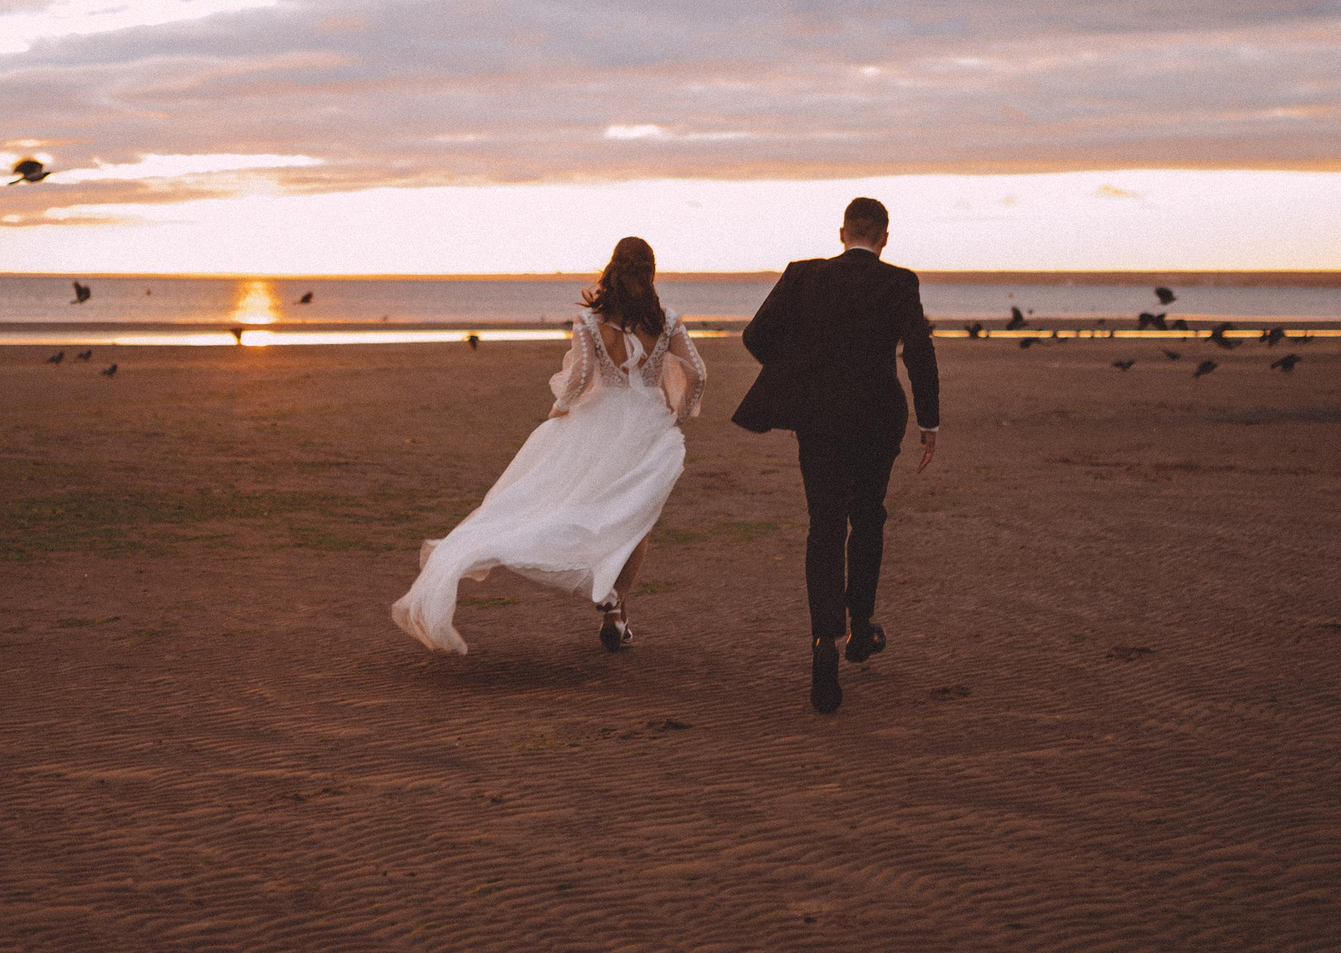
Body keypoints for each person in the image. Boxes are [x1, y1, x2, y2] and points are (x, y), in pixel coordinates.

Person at [391, 237, 706, 655]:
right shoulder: (667, 322)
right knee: (634, 518)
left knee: (574, 506)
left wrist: (562, 409)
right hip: (647, 425)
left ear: (613, 268)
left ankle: (614, 606)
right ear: (651, 272)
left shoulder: (591, 321)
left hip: (598, 423)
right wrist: (675, 412)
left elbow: (581, 377)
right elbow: (697, 373)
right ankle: (614, 607)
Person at [732, 196, 939, 714]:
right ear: (884, 238)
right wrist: (929, 422)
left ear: (842, 233)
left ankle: (826, 641)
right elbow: (919, 351)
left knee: (824, 524)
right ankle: (861, 629)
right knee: (867, 518)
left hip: (820, 417)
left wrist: (802, 369)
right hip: (877, 416)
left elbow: (756, 336)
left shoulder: (803, 275)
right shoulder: (900, 282)